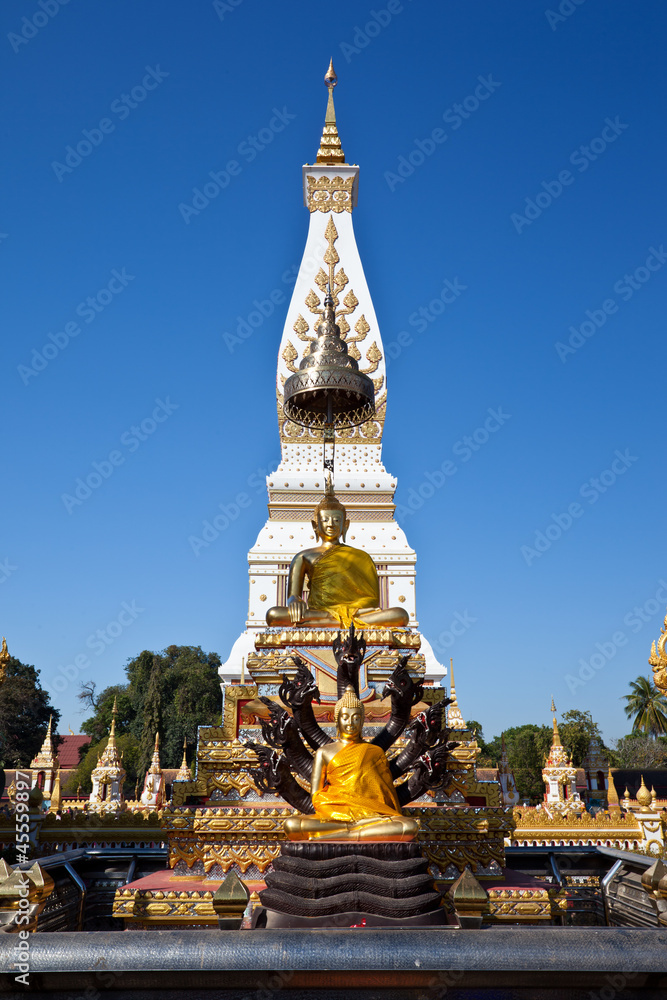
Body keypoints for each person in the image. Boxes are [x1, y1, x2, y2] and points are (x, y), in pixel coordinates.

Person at [266, 481, 409, 629]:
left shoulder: (361, 556)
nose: (331, 524)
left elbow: (372, 602)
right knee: (274, 615)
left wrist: (350, 612)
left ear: (345, 525)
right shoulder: (304, 556)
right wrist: (294, 601)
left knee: (400, 615)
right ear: (315, 525)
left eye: (336, 520)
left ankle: (330, 623)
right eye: (325, 519)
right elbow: (292, 595)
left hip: (357, 613)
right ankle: (342, 623)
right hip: (320, 612)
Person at [284, 685, 418, 842]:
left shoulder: (375, 752)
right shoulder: (324, 752)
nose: (350, 723)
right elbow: (316, 794)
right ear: (337, 719)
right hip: (336, 815)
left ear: (361, 721)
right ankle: (354, 833)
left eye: (356, 718)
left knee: (408, 826)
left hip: (371, 817)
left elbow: (387, 795)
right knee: (292, 825)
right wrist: (340, 810)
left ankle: (342, 835)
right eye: (345, 717)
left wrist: (367, 812)